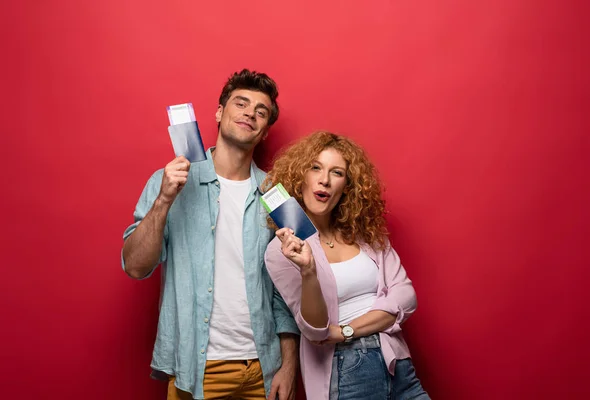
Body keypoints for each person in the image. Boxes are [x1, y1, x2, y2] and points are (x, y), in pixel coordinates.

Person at [121, 69, 300, 400]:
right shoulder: (169, 180)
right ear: (219, 113)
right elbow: (135, 266)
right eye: (241, 103)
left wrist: (288, 367)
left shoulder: (277, 194)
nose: (250, 113)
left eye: (261, 112)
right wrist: (164, 200)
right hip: (197, 369)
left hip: (263, 369)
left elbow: (287, 291)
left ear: (264, 132)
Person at [264, 131, 430, 400]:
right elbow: (315, 331)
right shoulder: (281, 251)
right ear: (300, 177)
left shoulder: (366, 235)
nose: (324, 180)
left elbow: (406, 296)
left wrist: (344, 331)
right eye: (315, 167)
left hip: (397, 361)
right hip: (348, 369)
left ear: (347, 186)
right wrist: (308, 270)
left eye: (336, 172)